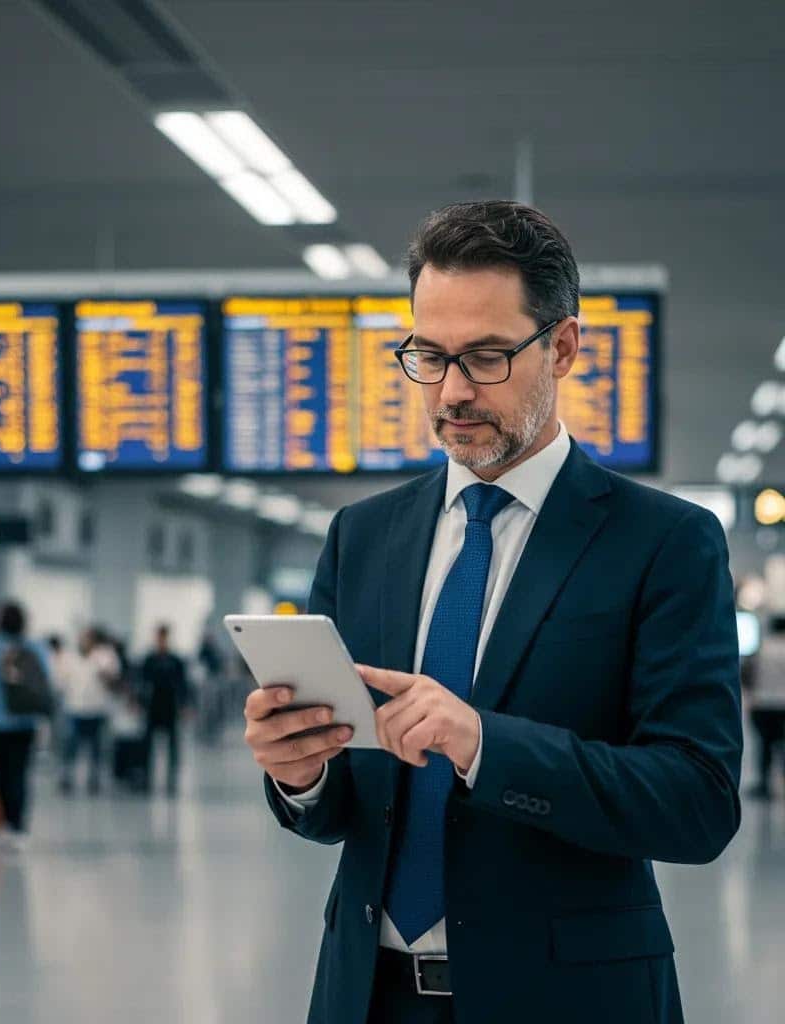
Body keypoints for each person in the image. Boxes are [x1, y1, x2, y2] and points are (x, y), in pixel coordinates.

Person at [244, 201, 742, 1024]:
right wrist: (299, 773)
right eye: (429, 357)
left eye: (484, 356)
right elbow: (342, 812)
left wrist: (482, 743)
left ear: (564, 347)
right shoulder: (362, 538)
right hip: (367, 994)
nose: (452, 392)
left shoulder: (664, 542)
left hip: (571, 997)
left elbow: (697, 802)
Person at [0, 601, 50, 848]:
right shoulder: (36, 648)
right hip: (25, 721)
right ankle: (18, 827)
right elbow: (44, 682)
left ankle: (0, 823)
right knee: (20, 774)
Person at [58, 626, 121, 795]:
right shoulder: (69, 657)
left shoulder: (106, 656)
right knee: (70, 744)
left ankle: (94, 779)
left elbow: (115, 681)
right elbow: (61, 681)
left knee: (96, 746)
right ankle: (67, 776)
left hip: (97, 709)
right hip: (75, 708)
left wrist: (105, 675)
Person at [141, 624, 192, 794]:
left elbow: (183, 685)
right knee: (148, 745)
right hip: (152, 707)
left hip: (170, 707)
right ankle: (146, 777)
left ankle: (171, 779)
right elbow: (141, 683)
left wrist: (184, 706)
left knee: (172, 745)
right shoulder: (149, 660)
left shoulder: (175, 660)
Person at [747, 614, 785, 798]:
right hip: (783, 705)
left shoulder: (762, 649)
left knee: (764, 746)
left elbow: (748, 673)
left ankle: (764, 784)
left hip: (763, 704)